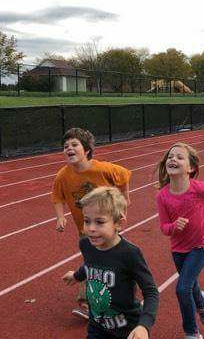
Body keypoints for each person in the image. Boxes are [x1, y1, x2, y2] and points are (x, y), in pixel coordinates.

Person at [52, 127, 132, 319]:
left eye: (74, 144)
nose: (68, 148)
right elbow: (57, 197)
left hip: (108, 226)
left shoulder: (103, 169)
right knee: (95, 260)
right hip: (85, 229)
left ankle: (93, 301)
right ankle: (92, 301)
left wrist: (125, 199)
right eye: (65, 146)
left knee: (102, 260)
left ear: (86, 150)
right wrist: (60, 216)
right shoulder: (63, 175)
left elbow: (124, 175)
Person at [156, 143, 204, 339]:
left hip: (200, 246)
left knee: (182, 288)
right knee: (190, 284)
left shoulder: (198, 189)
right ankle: (201, 302)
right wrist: (173, 227)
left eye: (179, 157)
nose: (173, 159)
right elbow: (164, 228)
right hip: (178, 249)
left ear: (191, 168)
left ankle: (191, 332)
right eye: (170, 157)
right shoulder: (162, 196)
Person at [62, 187, 158, 339]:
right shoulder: (86, 245)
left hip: (127, 329)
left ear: (119, 224)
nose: (91, 228)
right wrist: (77, 275)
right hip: (97, 325)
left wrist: (143, 325)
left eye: (100, 222)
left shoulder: (129, 254)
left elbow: (151, 292)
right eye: (87, 221)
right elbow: (90, 263)